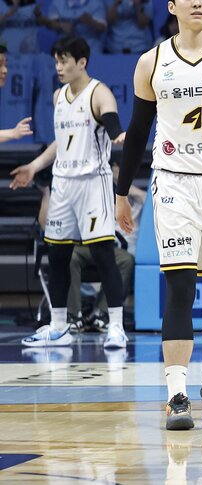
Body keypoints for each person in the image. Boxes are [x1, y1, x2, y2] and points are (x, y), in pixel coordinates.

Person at [115, 0, 202, 430]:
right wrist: (120, 193)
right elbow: (136, 133)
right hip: (172, 181)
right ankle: (175, 395)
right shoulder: (151, 62)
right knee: (179, 287)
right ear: (171, 6)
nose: (197, 2)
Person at [11, 36, 128, 351]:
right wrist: (34, 167)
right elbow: (61, 142)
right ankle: (59, 326)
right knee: (58, 256)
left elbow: (113, 123)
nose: (59, 67)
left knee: (104, 254)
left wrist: (118, 135)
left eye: (64, 61)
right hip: (63, 183)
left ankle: (115, 327)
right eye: (56, 61)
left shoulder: (99, 93)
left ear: (82, 62)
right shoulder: (58, 96)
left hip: (94, 182)